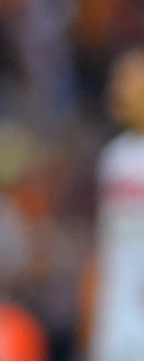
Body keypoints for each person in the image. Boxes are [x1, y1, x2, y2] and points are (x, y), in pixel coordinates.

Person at [89, 47, 144, 360]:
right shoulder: (114, 159)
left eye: (127, 79)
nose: (116, 89)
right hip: (116, 324)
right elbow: (106, 250)